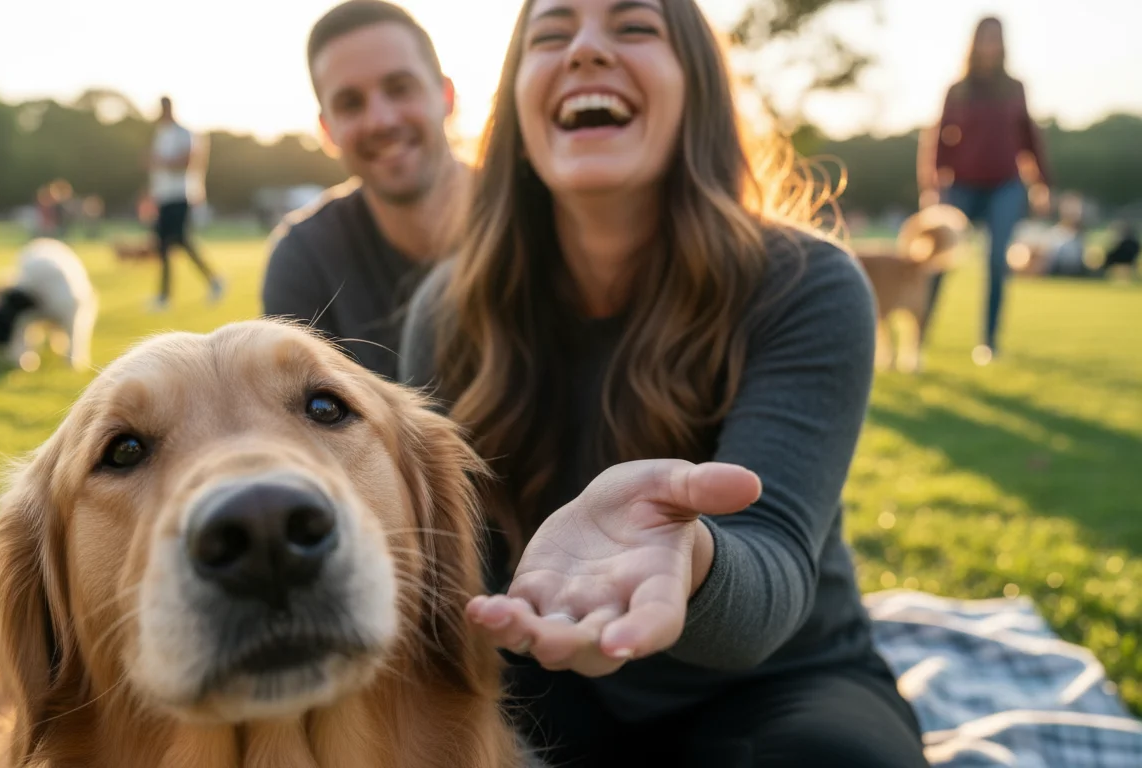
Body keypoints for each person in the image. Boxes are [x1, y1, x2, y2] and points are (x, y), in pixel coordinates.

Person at [399, 1, 929, 766]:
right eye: (552, 34)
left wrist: (689, 558)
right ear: (515, 102)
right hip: (546, 678)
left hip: (780, 683)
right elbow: (445, 572)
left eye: (634, 27)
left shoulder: (807, 284)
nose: (585, 51)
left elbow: (771, 573)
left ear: (697, 89)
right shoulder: (448, 310)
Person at [261, 0, 469, 380]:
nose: (381, 120)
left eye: (400, 88)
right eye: (350, 103)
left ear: (446, 96)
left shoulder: (534, 214)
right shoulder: (305, 259)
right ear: (327, 130)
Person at [918, 16, 1053, 365]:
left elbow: (1029, 139)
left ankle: (988, 343)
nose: (990, 45)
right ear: (975, 43)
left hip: (1005, 185)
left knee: (996, 262)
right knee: (938, 262)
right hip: (961, 185)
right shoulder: (958, 89)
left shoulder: (1015, 88)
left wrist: (1042, 184)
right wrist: (933, 184)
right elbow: (939, 139)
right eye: (985, 38)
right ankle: (920, 336)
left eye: (996, 39)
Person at [146, 96, 224, 311]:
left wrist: (160, 162)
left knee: (180, 240)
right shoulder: (160, 134)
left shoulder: (184, 133)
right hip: (163, 196)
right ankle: (165, 295)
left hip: (181, 195)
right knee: (164, 245)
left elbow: (186, 162)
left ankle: (214, 280)